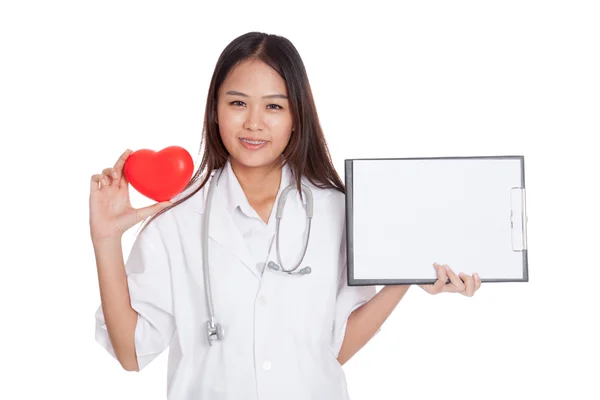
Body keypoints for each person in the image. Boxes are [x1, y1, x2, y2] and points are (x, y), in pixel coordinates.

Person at [90, 31, 482, 400]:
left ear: (298, 116)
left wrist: (405, 278)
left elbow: (334, 347)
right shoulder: (177, 218)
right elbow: (131, 353)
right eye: (238, 103)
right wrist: (106, 239)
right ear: (214, 110)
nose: (254, 123)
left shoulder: (336, 210)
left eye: (274, 106)